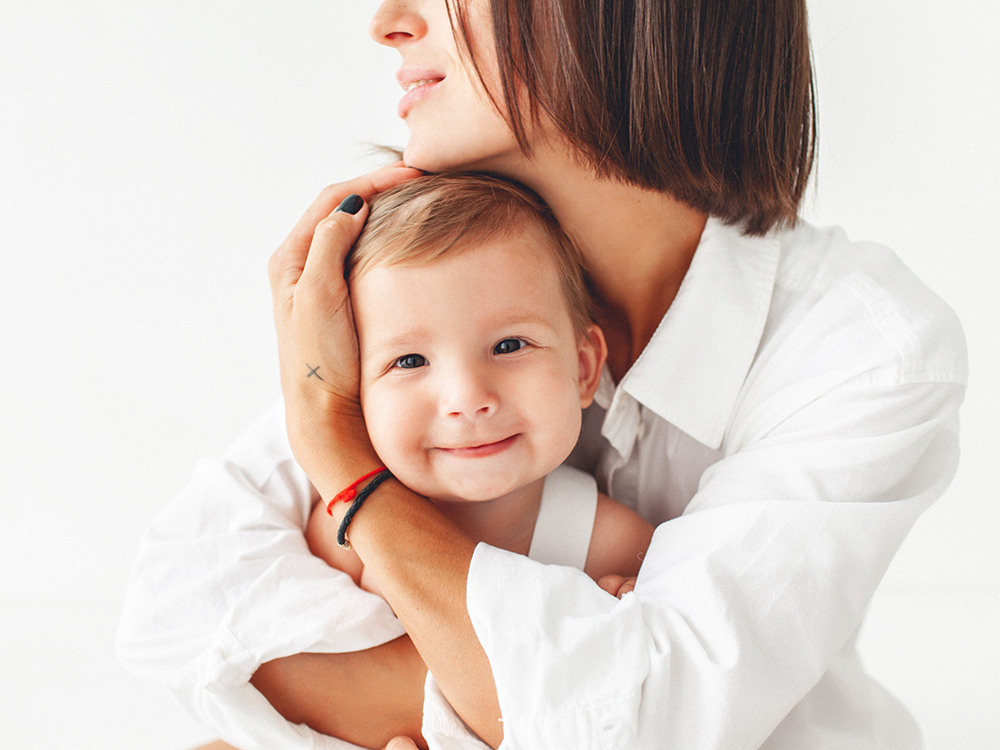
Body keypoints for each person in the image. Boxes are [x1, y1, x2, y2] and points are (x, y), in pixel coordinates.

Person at [118, 1, 968, 749]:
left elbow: (637, 731)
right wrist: (549, 683)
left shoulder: (866, 346)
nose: (387, 22)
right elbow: (176, 613)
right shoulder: (429, 270)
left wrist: (334, 444)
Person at [306, 171, 653, 616]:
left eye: (509, 346)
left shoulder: (615, 547)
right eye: (409, 361)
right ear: (355, 393)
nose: (468, 399)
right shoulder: (344, 539)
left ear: (584, 369)